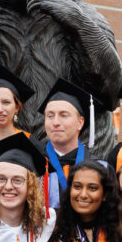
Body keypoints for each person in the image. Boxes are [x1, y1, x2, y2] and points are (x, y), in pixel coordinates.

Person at [39, 79, 97, 209]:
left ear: (80, 122)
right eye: (50, 116)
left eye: (64, 115)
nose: (55, 122)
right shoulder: (32, 166)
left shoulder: (100, 168)